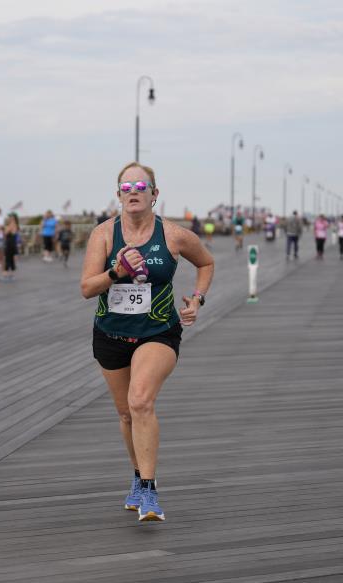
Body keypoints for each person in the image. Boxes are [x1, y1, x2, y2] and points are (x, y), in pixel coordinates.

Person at [80, 162, 215, 523]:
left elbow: (206, 263)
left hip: (158, 331)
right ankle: (138, 477)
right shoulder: (103, 234)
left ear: (155, 194)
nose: (133, 192)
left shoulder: (173, 235)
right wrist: (116, 272)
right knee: (126, 413)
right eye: (126, 187)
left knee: (140, 400)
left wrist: (197, 299)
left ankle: (150, 491)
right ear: (118, 195)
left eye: (141, 186)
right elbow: (87, 288)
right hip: (110, 334)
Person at [2, 212, 20, 281]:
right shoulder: (15, 224)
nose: (8, 218)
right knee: (11, 260)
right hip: (12, 243)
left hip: (10, 243)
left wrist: (5, 227)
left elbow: (6, 232)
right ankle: (12, 275)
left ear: (13, 218)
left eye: (10, 217)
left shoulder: (12, 224)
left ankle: (5, 275)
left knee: (7, 259)